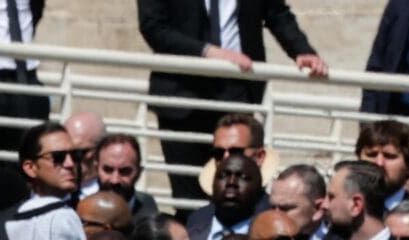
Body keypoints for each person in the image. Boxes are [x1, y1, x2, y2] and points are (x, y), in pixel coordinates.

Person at [136, 0, 326, 205]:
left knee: (239, 190)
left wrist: (302, 51)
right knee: (189, 197)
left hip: (237, 92)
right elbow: (154, 27)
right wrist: (209, 52)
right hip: (182, 95)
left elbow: (277, 13)